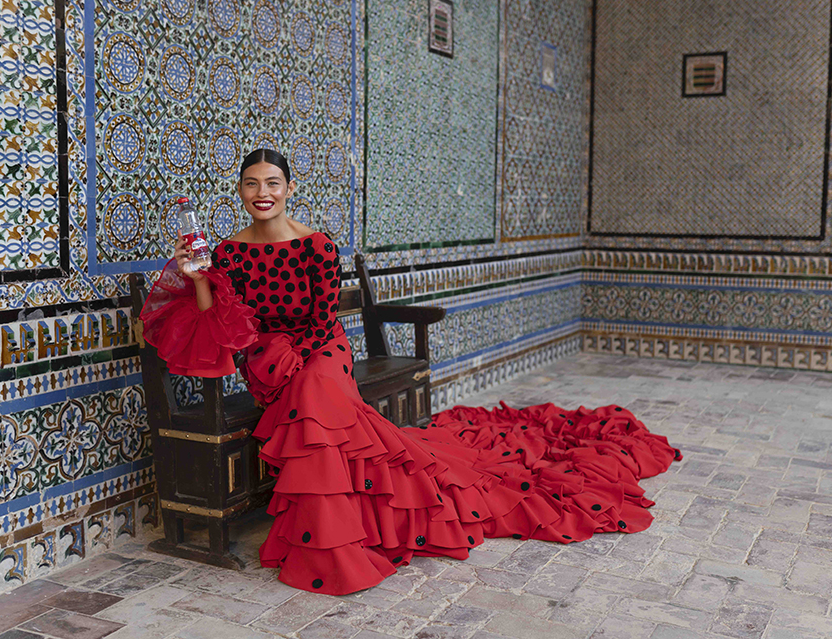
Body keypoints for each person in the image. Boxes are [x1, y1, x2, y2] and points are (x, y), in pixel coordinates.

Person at [140, 148, 681, 595]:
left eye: (273, 183)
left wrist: (301, 360)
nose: (263, 192)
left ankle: (335, 537)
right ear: (239, 190)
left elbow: (325, 319)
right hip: (271, 356)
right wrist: (198, 276)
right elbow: (223, 324)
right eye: (252, 183)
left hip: (321, 348)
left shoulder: (317, 245)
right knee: (309, 397)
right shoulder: (229, 252)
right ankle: (332, 528)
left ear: (290, 187)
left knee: (315, 393)